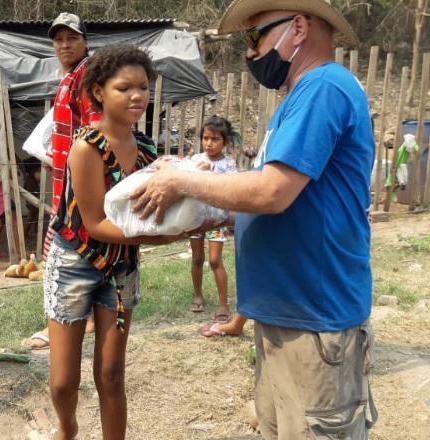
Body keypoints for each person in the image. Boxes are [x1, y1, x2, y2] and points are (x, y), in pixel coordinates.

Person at [130, 1, 378, 438]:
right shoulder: (297, 99)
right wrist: (204, 213)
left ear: (297, 28)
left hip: (315, 318)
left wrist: (183, 182)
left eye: (255, 37)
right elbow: (278, 196)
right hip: (286, 313)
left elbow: (272, 192)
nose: (249, 52)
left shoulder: (325, 87)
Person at [45, 44, 181, 440]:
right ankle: (67, 428)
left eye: (143, 87)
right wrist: (162, 237)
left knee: (111, 374)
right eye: (125, 88)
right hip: (75, 262)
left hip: (121, 266)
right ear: (99, 92)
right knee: (62, 383)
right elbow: (95, 223)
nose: (137, 95)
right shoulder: (86, 148)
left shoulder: (149, 153)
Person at [27, 12, 100, 350]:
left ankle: (58, 326)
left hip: (77, 191)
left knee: (60, 256)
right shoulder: (72, 77)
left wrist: (82, 180)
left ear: (85, 41)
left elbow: (95, 132)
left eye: (71, 38)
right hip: (66, 186)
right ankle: (81, 321)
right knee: (78, 252)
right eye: (58, 39)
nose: (64, 44)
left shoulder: (86, 78)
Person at [187, 116, 237, 327]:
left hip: (216, 220)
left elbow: (231, 188)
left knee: (215, 261)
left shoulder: (228, 164)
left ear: (225, 142)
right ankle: (198, 295)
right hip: (196, 218)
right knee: (197, 258)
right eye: (205, 138)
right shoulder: (195, 160)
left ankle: (223, 304)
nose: (209, 143)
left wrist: (211, 173)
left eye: (215, 139)